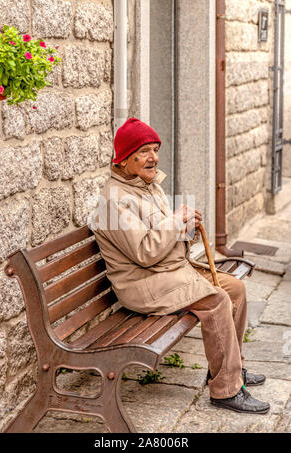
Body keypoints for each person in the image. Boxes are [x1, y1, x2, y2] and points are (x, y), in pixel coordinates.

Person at [90, 117, 270, 414]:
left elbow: (163, 236)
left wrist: (186, 226)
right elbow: (145, 252)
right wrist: (176, 221)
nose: (153, 158)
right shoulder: (114, 201)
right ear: (123, 158)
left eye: (155, 149)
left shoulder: (149, 186)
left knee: (235, 289)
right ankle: (226, 390)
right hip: (142, 284)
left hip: (168, 272)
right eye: (144, 151)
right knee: (216, 300)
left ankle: (230, 370)